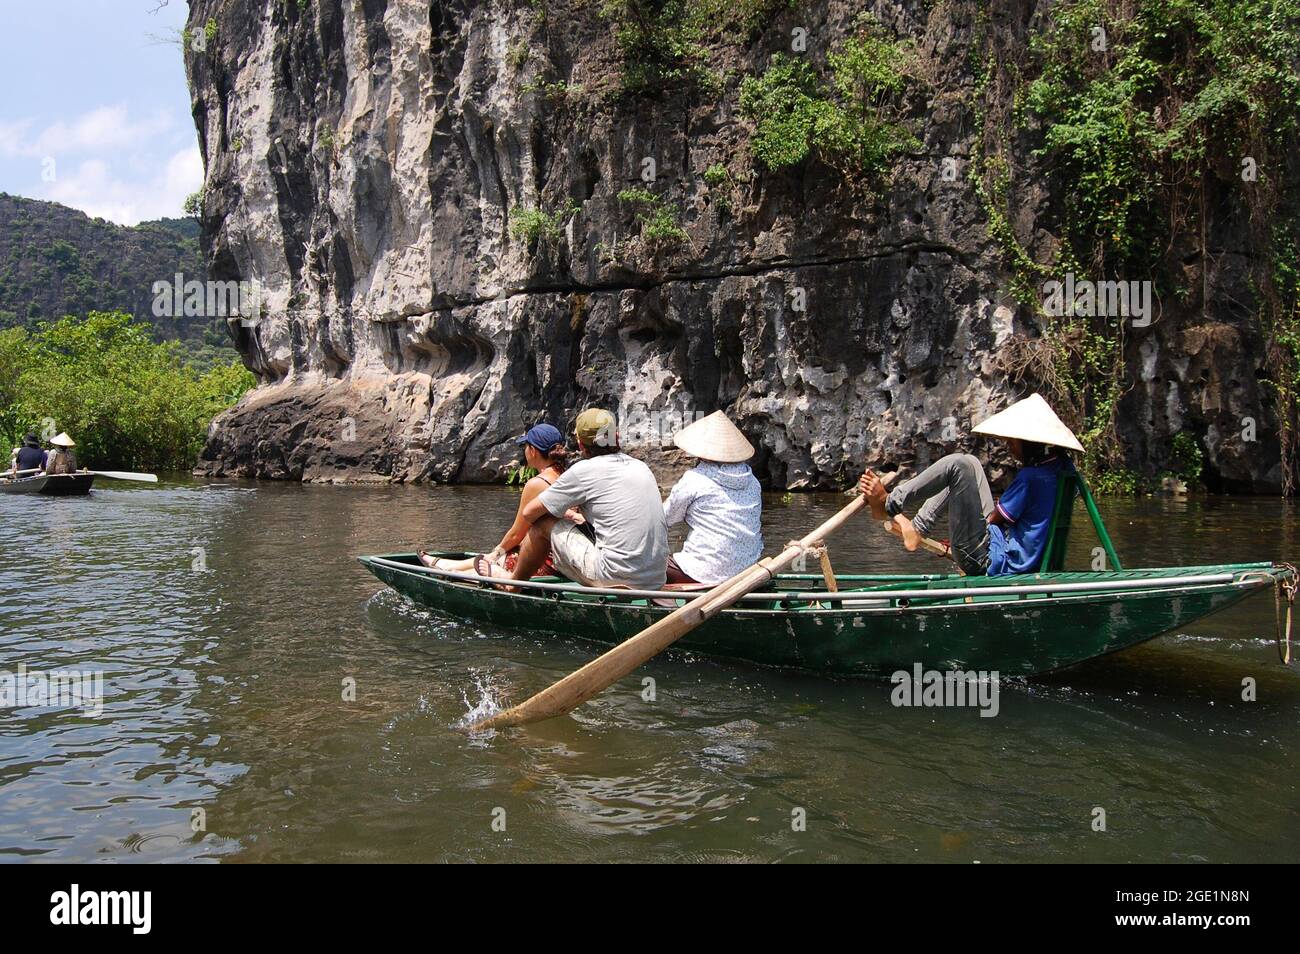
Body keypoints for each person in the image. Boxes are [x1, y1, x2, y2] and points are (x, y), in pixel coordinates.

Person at [858, 394, 1082, 577]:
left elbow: (996, 519)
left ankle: (888, 503)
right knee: (970, 465)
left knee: (958, 465)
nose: (1011, 449)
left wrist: (969, 510)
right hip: (1013, 555)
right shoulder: (1064, 470)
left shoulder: (1030, 477)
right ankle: (917, 527)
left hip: (989, 561)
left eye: (1012, 443)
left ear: (1031, 445)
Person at [506, 408, 668, 589]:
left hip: (614, 577)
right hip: (656, 577)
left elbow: (529, 513)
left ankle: (513, 584)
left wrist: (564, 513)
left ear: (581, 445)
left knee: (542, 523)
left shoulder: (583, 471)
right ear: (616, 436)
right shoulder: (641, 467)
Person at [419, 423, 570, 576]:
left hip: (543, 561)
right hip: (564, 559)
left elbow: (516, 533)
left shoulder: (537, 484)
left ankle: (448, 570)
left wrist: (495, 553)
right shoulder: (567, 476)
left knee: (491, 560)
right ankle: (446, 565)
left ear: (533, 451)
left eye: (525, 446)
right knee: (495, 556)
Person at [662, 410, 764, 585]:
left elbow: (663, 519)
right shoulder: (753, 481)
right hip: (747, 573)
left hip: (701, 573)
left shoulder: (695, 479)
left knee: (647, 563)